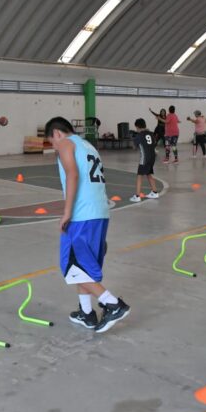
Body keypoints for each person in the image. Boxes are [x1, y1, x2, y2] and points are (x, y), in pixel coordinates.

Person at [45, 117, 130, 333]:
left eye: (51, 142)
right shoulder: (88, 145)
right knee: (82, 267)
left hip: (82, 214)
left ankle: (113, 304)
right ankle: (87, 313)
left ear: (56, 134)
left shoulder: (66, 143)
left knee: (73, 265)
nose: (55, 147)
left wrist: (67, 213)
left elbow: (72, 174)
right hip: (99, 212)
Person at [130, 118, 160, 202]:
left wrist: (133, 138)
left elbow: (134, 148)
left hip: (145, 158)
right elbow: (153, 143)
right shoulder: (151, 134)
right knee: (148, 173)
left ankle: (137, 196)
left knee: (139, 176)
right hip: (152, 157)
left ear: (137, 127)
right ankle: (154, 192)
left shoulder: (138, 136)